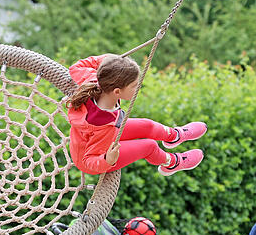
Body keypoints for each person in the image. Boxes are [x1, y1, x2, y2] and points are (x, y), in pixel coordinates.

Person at [66, 54, 206, 175]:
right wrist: (107, 159)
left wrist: (108, 60)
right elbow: (89, 159)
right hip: (92, 157)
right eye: (134, 86)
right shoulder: (104, 124)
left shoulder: (95, 81)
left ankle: (174, 136)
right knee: (149, 146)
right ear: (117, 92)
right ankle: (173, 162)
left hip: (93, 137)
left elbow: (76, 67)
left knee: (147, 125)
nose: (138, 87)